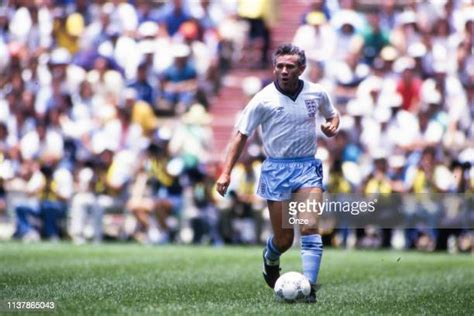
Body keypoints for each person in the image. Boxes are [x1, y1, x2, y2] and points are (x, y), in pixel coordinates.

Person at [216, 44, 340, 303]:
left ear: (301, 69)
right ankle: (270, 257)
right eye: (280, 66)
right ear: (274, 68)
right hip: (277, 169)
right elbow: (241, 135)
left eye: (290, 66)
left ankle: (310, 290)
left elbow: (332, 113)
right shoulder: (263, 98)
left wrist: (332, 124)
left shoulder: (316, 93)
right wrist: (226, 172)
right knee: (284, 239)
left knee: (309, 227)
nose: (284, 71)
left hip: (307, 166)